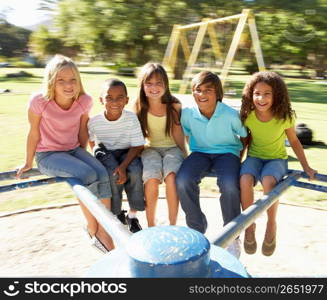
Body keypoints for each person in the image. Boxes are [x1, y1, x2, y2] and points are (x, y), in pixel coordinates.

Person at [16, 54, 114, 253]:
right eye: (61, 80)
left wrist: (83, 154)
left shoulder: (83, 101)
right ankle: (93, 228)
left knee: (102, 172)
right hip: (48, 155)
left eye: (73, 80)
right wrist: (28, 161)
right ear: (52, 81)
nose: (68, 85)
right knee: (86, 175)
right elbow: (34, 132)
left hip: (73, 150)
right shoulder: (39, 101)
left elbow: (82, 130)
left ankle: (106, 228)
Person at [240, 71, 317, 256]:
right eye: (257, 93)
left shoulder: (284, 117)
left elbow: (296, 142)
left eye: (267, 94)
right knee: (244, 179)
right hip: (254, 157)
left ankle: (271, 224)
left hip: (277, 159)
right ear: (251, 94)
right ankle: (249, 226)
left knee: (268, 181)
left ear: (277, 95)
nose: (261, 98)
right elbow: (245, 140)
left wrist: (306, 166)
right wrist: (239, 160)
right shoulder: (248, 116)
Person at [176, 71, 247, 258]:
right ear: (193, 93)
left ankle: (232, 235)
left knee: (230, 184)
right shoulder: (188, 114)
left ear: (218, 93)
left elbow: (244, 135)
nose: (202, 94)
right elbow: (187, 133)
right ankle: (196, 227)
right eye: (198, 90)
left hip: (227, 153)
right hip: (200, 153)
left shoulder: (230, 114)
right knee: (183, 180)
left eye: (208, 90)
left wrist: (238, 158)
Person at [88, 78, 145, 233]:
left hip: (129, 152)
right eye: (109, 98)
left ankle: (132, 216)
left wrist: (123, 166)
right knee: (112, 173)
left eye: (120, 98)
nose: (114, 102)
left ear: (126, 100)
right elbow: (92, 142)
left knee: (135, 170)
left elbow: (138, 145)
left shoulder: (131, 118)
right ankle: (117, 212)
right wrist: (100, 157)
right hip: (106, 152)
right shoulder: (94, 122)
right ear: (101, 100)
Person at [134, 62, 187, 227]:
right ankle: (151, 224)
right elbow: (138, 135)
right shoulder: (139, 106)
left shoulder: (174, 106)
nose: (154, 87)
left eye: (158, 83)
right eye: (149, 83)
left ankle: (173, 224)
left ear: (166, 85)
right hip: (150, 149)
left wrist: (185, 155)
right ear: (142, 86)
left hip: (173, 148)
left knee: (171, 177)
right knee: (151, 179)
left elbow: (178, 134)